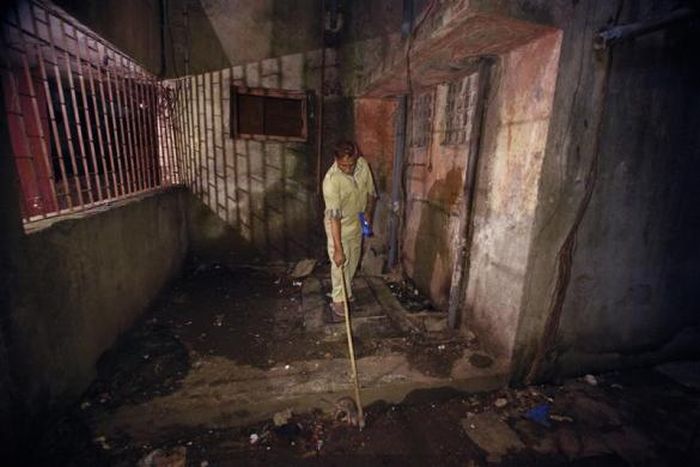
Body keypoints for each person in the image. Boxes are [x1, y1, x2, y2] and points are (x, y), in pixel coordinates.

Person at [322, 141, 377, 322]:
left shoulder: (363, 166)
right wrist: (337, 248)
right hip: (339, 226)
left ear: (356, 157)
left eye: (350, 164)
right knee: (339, 263)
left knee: (353, 259)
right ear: (336, 160)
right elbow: (334, 217)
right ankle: (338, 298)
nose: (347, 169)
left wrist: (368, 213)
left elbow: (370, 192)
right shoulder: (331, 181)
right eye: (342, 165)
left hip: (358, 220)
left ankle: (347, 290)